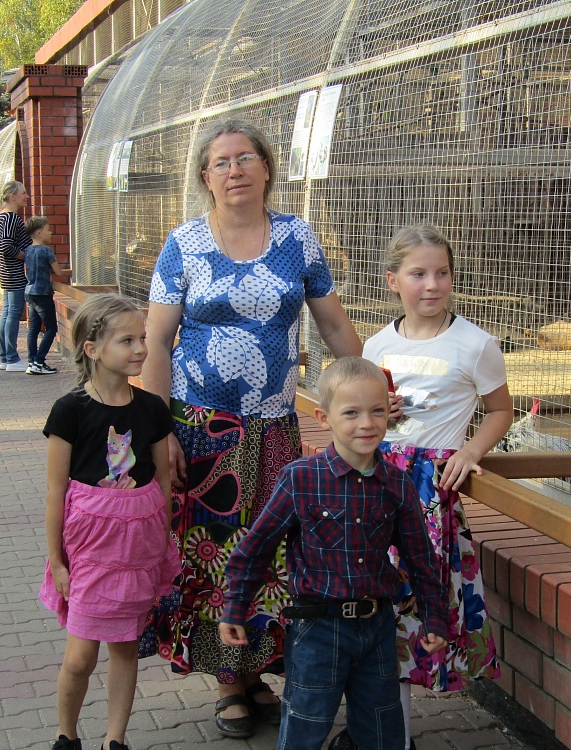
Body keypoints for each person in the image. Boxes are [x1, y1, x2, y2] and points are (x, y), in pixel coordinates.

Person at [143, 118, 362, 739]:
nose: (234, 170)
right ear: (205, 178)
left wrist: (367, 392)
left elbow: (335, 329)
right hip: (200, 429)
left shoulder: (297, 238)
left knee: (269, 551)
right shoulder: (183, 243)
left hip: (272, 428)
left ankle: (260, 672)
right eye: (221, 162)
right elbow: (158, 343)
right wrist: (158, 432)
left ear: (267, 167)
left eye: (245, 158)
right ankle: (228, 683)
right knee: (212, 553)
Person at [219, 357, 447, 750]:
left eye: (377, 411)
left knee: (382, 730)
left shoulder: (396, 484)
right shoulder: (301, 478)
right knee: (305, 726)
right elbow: (254, 549)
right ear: (324, 418)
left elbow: (421, 558)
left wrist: (435, 617)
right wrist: (235, 606)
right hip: (317, 630)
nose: (367, 423)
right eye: (352, 413)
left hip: (376, 628)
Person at [361, 224, 513, 750]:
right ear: (392, 281)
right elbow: (361, 414)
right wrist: (383, 411)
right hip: (378, 485)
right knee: (379, 605)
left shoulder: (474, 344)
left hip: (429, 494)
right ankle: (386, 733)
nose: (432, 284)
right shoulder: (378, 343)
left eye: (442, 273)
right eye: (418, 274)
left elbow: (500, 410)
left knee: (417, 605)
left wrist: (470, 451)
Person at [39, 293, 181, 750]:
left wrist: (162, 539)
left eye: (142, 338)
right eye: (127, 340)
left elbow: (161, 479)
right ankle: (67, 734)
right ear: (92, 348)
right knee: (80, 657)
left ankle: (114, 739)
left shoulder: (152, 408)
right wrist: (56, 561)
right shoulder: (70, 410)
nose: (141, 348)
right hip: (89, 547)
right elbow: (56, 490)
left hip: (137, 545)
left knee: (124, 646)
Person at [23, 216, 70, 374]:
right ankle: (39, 360)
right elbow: (58, 271)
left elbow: (26, 270)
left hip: (29, 292)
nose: (51, 233)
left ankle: (31, 361)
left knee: (34, 329)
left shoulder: (27, 251)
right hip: (43, 293)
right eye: (48, 230)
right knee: (51, 328)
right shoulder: (46, 251)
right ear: (39, 233)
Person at [0, 181, 32, 372]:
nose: (27, 196)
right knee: (13, 313)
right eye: (23, 193)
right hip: (13, 270)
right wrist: (27, 256)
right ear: (12, 196)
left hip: (7, 269)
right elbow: (7, 246)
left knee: (8, 311)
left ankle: (5, 356)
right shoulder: (11, 218)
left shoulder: (2, 217)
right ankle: (11, 357)